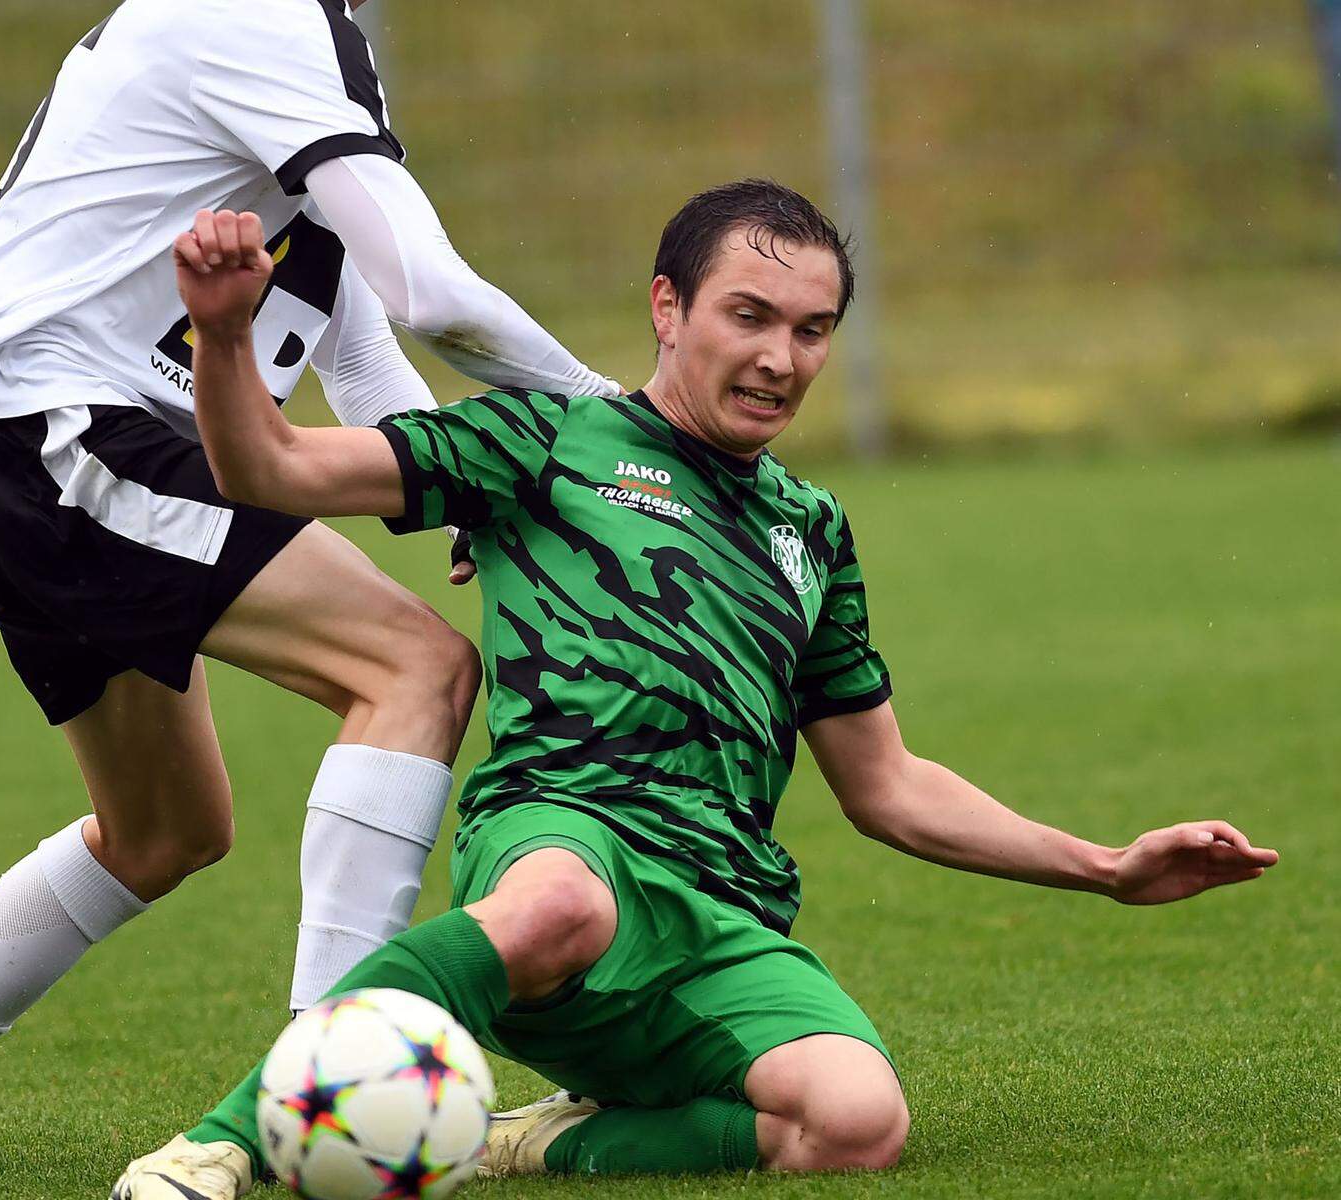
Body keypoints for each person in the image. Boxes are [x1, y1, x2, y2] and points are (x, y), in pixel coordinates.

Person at [107, 182, 1279, 1198]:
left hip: (719, 908)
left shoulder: (812, 530)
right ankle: (218, 1147)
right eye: (750, 316)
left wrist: (1108, 868)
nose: (781, 358)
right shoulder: (546, 439)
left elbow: (889, 785)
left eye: (814, 330)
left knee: (858, 1125)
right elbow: (271, 467)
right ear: (668, 308)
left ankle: (544, 1146)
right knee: (562, 906)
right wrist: (221, 334)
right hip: (562, 842)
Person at [0, 0, 623, 1179]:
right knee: (414, 666)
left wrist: (460, 486)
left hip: (1, 440)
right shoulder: (271, 18)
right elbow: (432, 291)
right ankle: (320, 1096)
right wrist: (625, 428)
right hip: (66, 431)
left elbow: (364, 342)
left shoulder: (280, 36)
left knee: (167, 830)